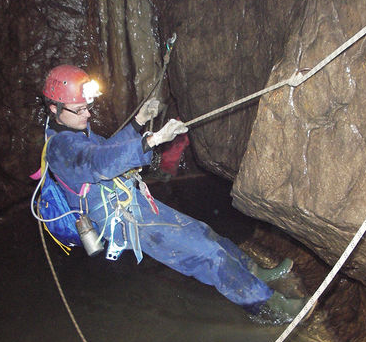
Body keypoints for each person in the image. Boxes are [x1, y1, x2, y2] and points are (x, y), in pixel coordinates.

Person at [41, 64, 306, 319]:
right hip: (126, 221)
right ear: (55, 108)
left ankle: (256, 271)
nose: (87, 115)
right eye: (79, 110)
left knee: (205, 232)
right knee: (207, 254)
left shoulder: (74, 130)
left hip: (133, 203)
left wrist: (138, 122)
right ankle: (270, 307)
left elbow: (104, 150)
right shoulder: (59, 148)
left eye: (87, 107)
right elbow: (100, 164)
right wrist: (152, 140)